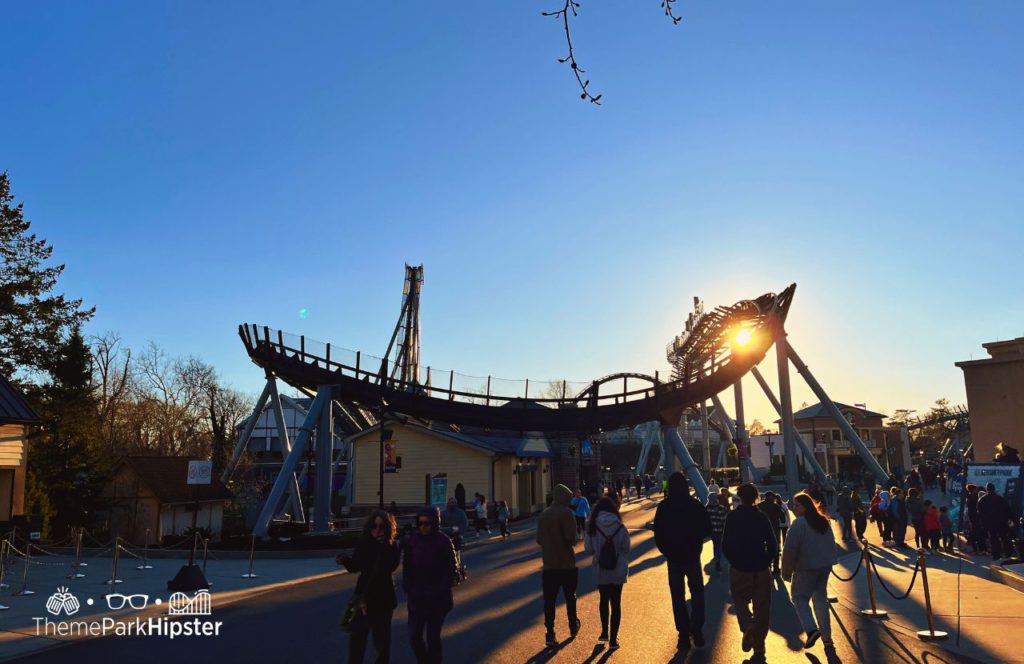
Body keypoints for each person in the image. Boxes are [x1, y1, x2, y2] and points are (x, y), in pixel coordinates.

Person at [653, 472, 712, 650]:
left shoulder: (664, 507)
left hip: (674, 558)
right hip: (692, 556)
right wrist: (695, 542)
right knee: (697, 594)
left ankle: (683, 634)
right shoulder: (695, 505)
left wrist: (666, 550)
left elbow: (658, 533)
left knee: (677, 596)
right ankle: (697, 627)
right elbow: (707, 528)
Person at [722, 483, 777, 663]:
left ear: (739, 497)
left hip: (740, 567)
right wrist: (766, 561)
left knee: (740, 600)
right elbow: (772, 543)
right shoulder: (761, 517)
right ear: (755, 497)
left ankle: (747, 626)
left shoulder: (732, 517)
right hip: (760, 568)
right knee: (762, 606)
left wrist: (734, 561)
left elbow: (725, 544)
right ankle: (759, 645)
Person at [338, 510, 401, 664]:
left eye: (381, 527)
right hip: (363, 599)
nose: (377, 529)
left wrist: (380, 546)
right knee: (357, 643)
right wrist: (346, 560)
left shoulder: (391, 546)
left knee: (382, 644)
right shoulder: (364, 543)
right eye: (374, 525)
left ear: (387, 528)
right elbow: (355, 567)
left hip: (384, 599)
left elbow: (390, 567)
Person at [782, 492, 838, 654]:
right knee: (820, 600)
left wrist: (786, 571)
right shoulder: (822, 521)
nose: (794, 507)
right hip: (824, 566)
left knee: (799, 599)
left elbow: (789, 550)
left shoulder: (799, 524)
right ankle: (827, 639)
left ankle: (811, 630)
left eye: (797, 505)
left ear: (805, 506)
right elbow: (831, 544)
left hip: (805, 568)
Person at [403, 506, 457, 664]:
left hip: (437, 599)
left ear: (434, 523)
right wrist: (408, 586)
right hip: (417, 598)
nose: (423, 527)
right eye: (420, 523)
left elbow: (451, 568)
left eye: (426, 524)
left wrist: (441, 588)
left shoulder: (443, 541)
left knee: (432, 637)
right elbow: (407, 565)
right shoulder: (413, 540)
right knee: (414, 637)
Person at [537, 484, 581, 647]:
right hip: (567, 564)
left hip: (549, 565)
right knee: (570, 597)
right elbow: (572, 538)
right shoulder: (567, 513)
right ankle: (572, 625)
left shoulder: (544, 514)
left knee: (549, 600)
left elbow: (539, 539)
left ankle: (550, 632)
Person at [584, 497, 630, 649]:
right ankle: (613, 640)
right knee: (616, 603)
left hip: (601, 569)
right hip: (618, 569)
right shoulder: (620, 526)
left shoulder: (592, 527)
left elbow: (588, 549)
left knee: (604, 600)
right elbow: (626, 547)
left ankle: (604, 632)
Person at [978, 482, 1014, 559]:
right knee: (1004, 538)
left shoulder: (983, 500)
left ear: (987, 490)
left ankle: (996, 555)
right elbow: (1008, 510)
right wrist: (1010, 519)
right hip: (1001, 522)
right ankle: (1007, 554)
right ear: (994, 489)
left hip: (990, 523)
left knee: (994, 539)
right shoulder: (1001, 499)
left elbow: (980, 512)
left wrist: (983, 523)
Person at [756, 491, 783, 575]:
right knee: (775, 549)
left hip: (761, 531)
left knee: (764, 548)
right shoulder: (776, 506)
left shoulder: (759, 506)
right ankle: (776, 568)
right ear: (772, 497)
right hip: (774, 530)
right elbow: (783, 519)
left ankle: (767, 567)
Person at [706, 493, 728, 573]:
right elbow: (724, 521)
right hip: (720, 531)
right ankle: (717, 561)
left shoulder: (706, 508)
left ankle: (716, 557)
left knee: (715, 545)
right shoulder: (721, 508)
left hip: (711, 532)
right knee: (719, 546)